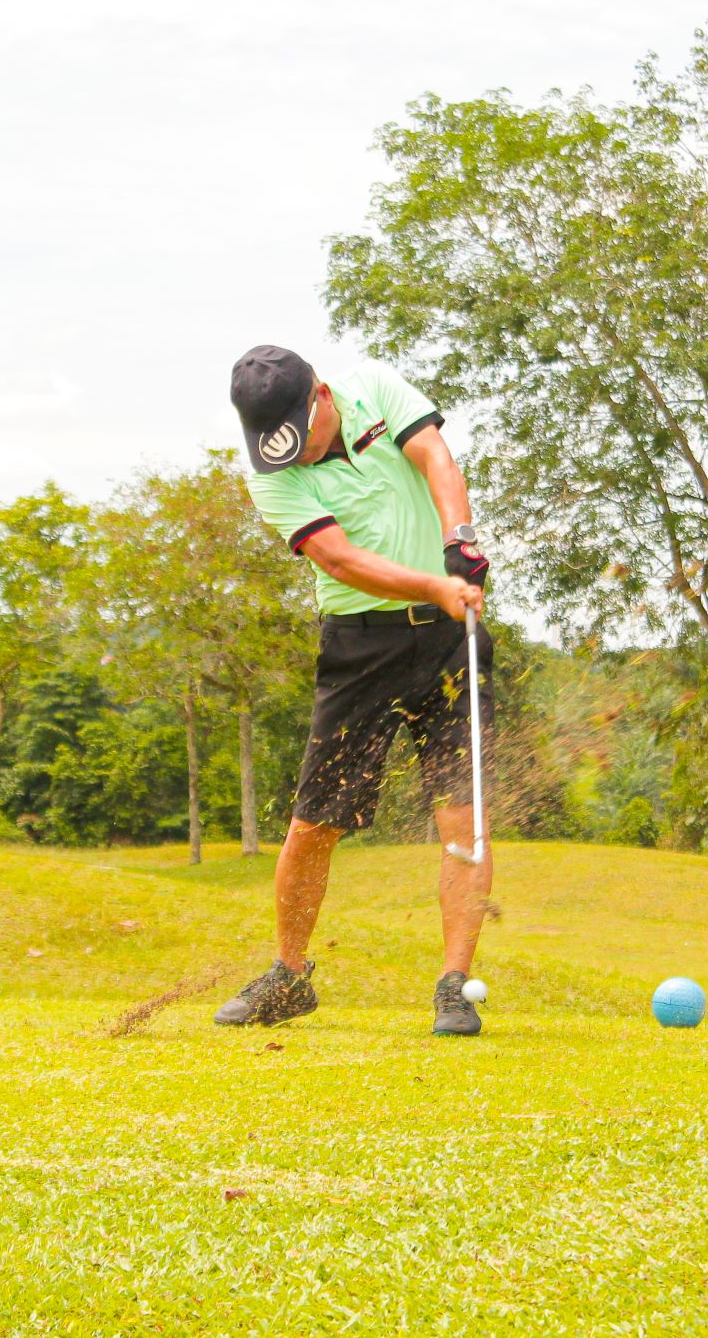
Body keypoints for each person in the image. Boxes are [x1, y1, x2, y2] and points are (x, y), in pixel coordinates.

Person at [215, 345, 494, 1036]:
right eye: (276, 449)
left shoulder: (374, 387)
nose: (296, 459)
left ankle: (453, 985)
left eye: (299, 438)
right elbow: (339, 559)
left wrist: (459, 540)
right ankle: (288, 977)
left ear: (323, 396)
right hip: (357, 645)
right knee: (314, 822)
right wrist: (433, 582)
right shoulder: (270, 476)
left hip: (447, 643)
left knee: (462, 818)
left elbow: (434, 457)